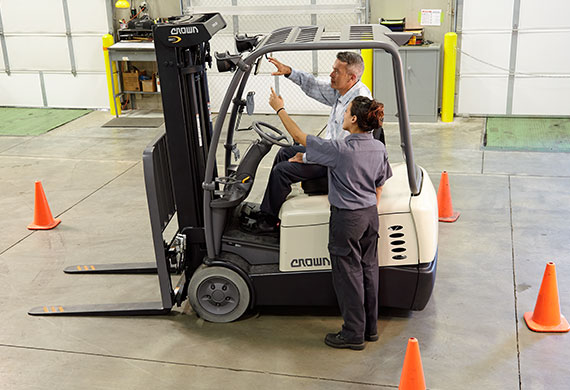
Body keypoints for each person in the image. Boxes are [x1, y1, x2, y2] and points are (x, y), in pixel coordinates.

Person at [268, 87, 392, 351]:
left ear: (355, 120)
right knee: (369, 271)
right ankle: (370, 329)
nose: (343, 116)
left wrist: (279, 108)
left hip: (347, 219)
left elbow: (300, 136)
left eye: (346, 112)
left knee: (348, 276)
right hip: (370, 216)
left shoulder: (341, 150)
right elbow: (380, 183)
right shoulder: (378, 148)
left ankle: (352, 334)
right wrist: (368, 206)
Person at [244, 52, 372, 234]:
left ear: (351, 77)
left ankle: (269, 223)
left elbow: (338, 155)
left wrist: (305, 156)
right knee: (284, 153)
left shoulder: (357, 106)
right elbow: (315, 86)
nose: (331, 74)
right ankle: (269, 211)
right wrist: (288, 71)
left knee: (282, 171)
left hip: (341, 168)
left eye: (336, 71)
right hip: (332, 152)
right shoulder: (343, 91)